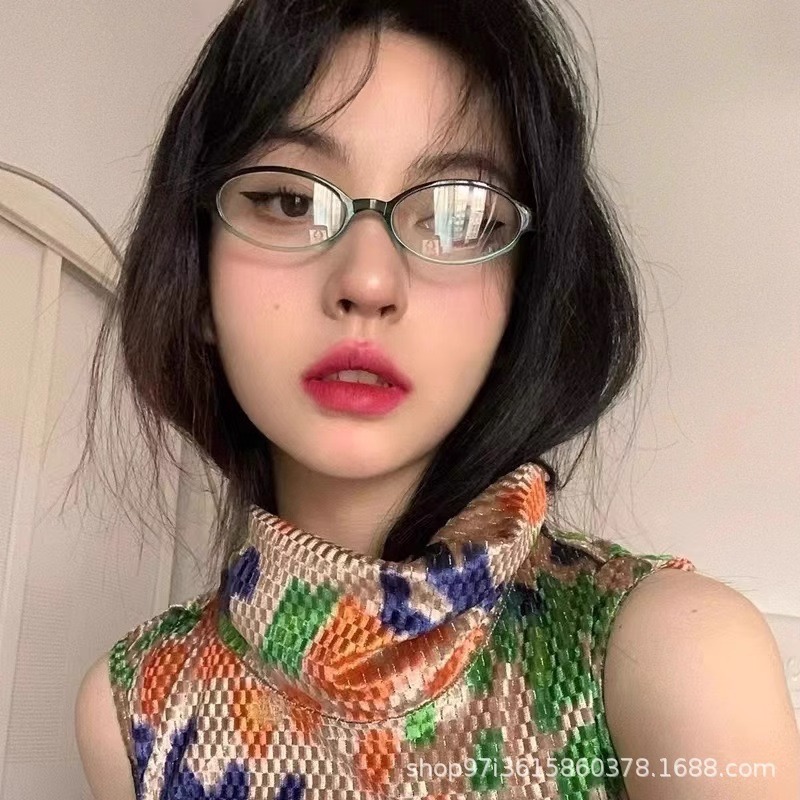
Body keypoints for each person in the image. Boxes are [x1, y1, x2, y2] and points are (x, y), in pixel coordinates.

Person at [74, 1, 800, 798]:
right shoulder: (134, 707)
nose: (367, 281)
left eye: (459, 215)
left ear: (523, 296)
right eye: (289, 201)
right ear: (197, 276)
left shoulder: (676, 659)